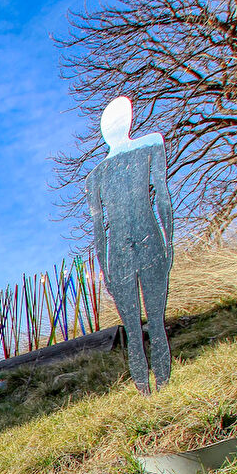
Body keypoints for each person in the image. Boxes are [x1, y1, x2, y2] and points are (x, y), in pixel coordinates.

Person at [88, 96, 174, 393]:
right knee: (144, 328)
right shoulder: (99, 174)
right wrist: (169, 241)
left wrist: (105, 270)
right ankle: (151, 389)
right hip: (133, 246)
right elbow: (160, 198)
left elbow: (163, 197)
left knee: (146, 327)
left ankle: (157, 388)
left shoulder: (147, 148)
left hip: (132, 246)